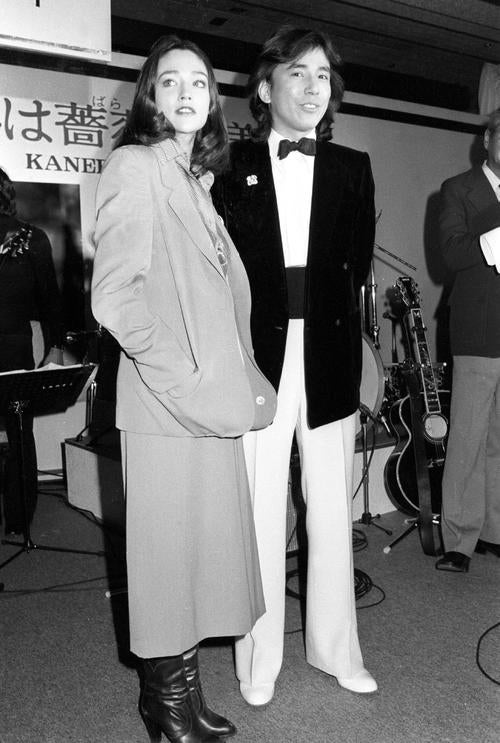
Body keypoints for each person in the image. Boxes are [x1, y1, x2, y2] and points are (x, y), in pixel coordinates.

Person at [91, 35, 276, 743]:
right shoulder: (136, 166)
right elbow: (115, 298)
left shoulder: (195, 181)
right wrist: (183, 380)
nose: (187, 92)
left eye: (198, 81)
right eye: (170, 82)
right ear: (150, 97)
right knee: (167, 563)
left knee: (194, 557)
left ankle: (183, 696)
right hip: (167, 402)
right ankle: (165, 705)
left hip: (203, 403)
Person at [213, 26, 377, 705]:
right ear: (264, 88)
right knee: (257, 510)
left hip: (329, 354)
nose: (313, 88)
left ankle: (337, 650)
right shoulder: (231, 164)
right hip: (258, 358)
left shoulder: (353, 167)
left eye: (323, 76)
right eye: (298, 74)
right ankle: (257, 662)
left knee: (332, 510)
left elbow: (355, 268)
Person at [435, 108, 500, 573]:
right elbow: (452, 253)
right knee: (469, 438)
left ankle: (495, 530)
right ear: (487, 140)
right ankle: (459, 539)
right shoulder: (458, 188)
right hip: (478, 328)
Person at [0, 168, 64, 536]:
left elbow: (50, 301)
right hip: (15, 351)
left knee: (19, 433)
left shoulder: (31, 238)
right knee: (20, 434)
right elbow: (51, 301)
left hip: (14, 349)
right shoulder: (32, 238)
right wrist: (55, 347)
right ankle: (19, 520)